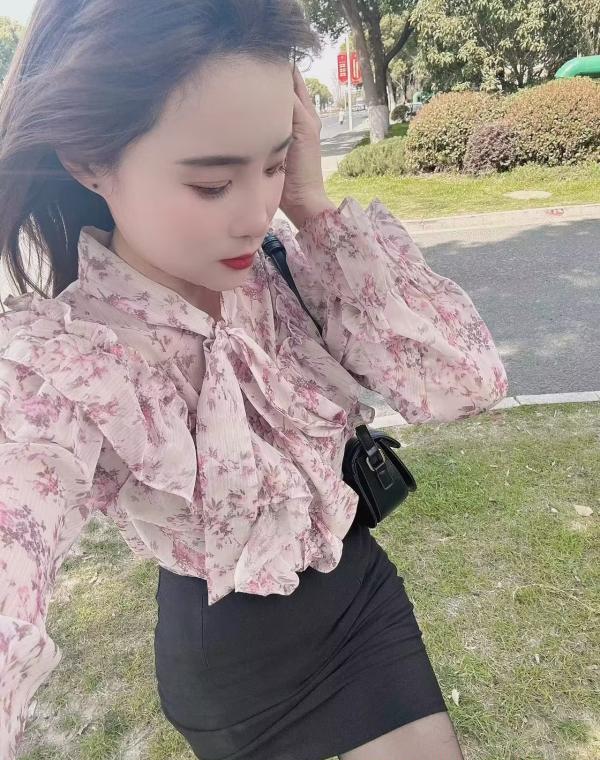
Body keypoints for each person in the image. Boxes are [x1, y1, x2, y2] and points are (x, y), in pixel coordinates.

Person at [0, 1, 509, 759]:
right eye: (212, 184)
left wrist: (312, 206)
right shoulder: (71, 363)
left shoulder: (280, 266)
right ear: (87, 161)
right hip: (239, 662)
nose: (255, 212)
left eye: (273, 164)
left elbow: (467, 382)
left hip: (360, 590)